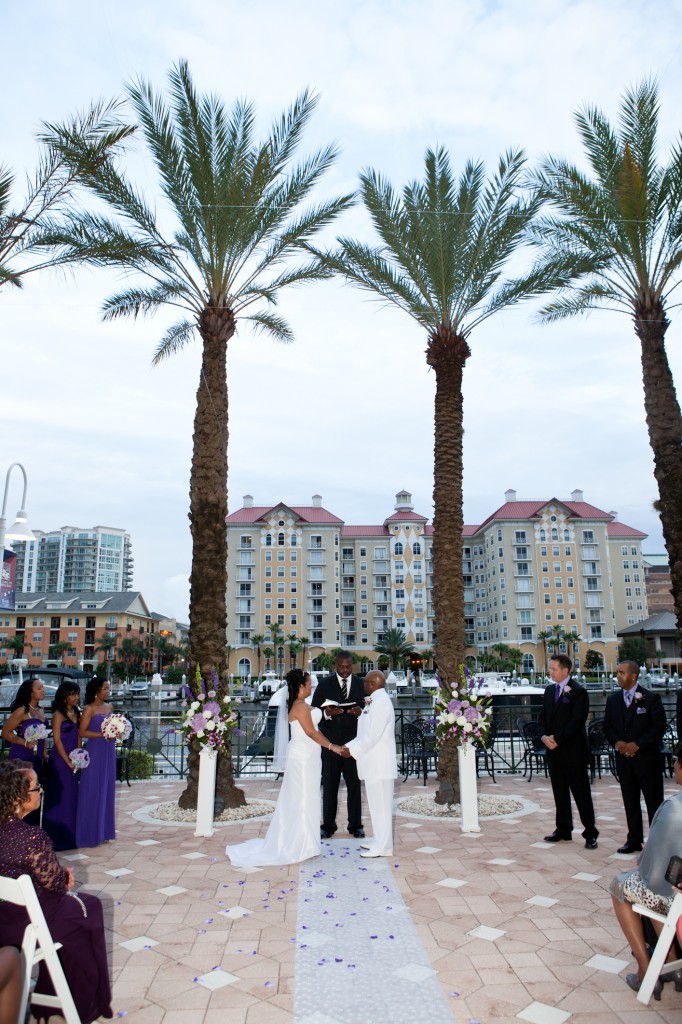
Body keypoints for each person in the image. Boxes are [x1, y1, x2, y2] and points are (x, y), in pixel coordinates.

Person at [0, 761, 113, 1023]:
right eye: (37, 787)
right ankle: (80, 1005)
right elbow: (56, 886)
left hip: (3, 917)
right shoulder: (29, 838)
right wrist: (64, 876)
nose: (41, 791)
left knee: (78, 919)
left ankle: (53, 1001)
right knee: (89, 908)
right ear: (19, 798)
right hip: (25, 924)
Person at [227, 668, 346, 867]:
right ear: (301, 686)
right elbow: (310, 732)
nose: (311, 686)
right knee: (302, 797)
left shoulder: (302, 705)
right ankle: (300, 843)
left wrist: (325, 714)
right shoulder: (299, 706)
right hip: (302, 757)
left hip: (310, 755)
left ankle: (308, 840)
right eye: (308, 684)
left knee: (309, 796)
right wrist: (332, 746)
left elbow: (314, 727)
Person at [609, 743, 682, 999]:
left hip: (675, 897)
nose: (673, 765)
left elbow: (653, 869)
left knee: (622, 884)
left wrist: (642, 865)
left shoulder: (674, 808)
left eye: (675, 760)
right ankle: (672, 961)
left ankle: (645, 966)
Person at [604, 660, 667, 853]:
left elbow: (658, 727)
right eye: (618, 672)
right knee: (630, 801)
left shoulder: (650, 698)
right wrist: (618, 743)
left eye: (622, 673)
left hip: (647, 761)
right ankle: (633, 839)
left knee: (653, 803)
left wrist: (637, 745)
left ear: (633, 676)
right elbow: (608, 726)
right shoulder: (613, 700)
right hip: (624, 760)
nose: (618, 676)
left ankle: (657, 842)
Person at [539, 654, 599, 849]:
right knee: (560, 793)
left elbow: (577, 721)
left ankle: (590, 832)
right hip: (554, 753)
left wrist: (557, 739)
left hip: (573, 752)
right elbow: (542, 718)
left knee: (581, 793)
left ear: (565, 670)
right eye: (550, 668)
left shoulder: (579, 692)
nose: (550, 671)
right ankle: (563, 828)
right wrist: (544, 737)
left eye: (554, 668)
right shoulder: (549, 691)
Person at [344, 669, 397, 858]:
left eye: (366, 682)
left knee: (382, 806)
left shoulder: (381, 703)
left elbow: (372, 736)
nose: (363, 684)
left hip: (379, 763)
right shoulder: (374, 701)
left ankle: (384, 847)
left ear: (374, 684)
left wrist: (351, 750)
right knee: (376, 805)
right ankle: (378, 840)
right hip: (373, 762)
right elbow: (367, 728)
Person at [311, 651, 365, 839]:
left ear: (352, 665)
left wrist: (360, 712)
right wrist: (327, 714)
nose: (344, 670)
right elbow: (315, 710)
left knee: (354, 786)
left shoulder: (361, 684)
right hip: (330, 744)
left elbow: (370, 710)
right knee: (329, 786)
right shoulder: (324, 684)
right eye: (341, 666)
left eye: (348, 666)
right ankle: (327, 825)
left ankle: (355, 825)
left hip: (353, 744)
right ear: (336, 665)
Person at [75, 677, 116, 848]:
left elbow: (114, 726)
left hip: (109, 751)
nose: (108, 691)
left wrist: (117, 732)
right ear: (96, 690)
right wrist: (101, 734)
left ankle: (103, 831)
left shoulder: (109, 707)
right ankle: (89, 832)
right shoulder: (89, 709)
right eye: (105, 688)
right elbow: (82, 732)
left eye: (108, 688)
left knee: (106, 789)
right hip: (95, 751)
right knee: (92, 788)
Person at [1, 677, 48, 826]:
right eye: (39, 688)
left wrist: (45, 752)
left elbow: (43, 734)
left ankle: (32, 832)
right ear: (30, 691)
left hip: (37, 758)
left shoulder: (41, 710)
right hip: (22, 756)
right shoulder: (22, 710)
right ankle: (17, 831)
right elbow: (6, 732)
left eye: (42, 687)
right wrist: (25, 742)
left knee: (34, 794)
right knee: (22, 794)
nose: (43, 690)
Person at [43, 681, 82, 851]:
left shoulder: (77, 712)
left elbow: (79, 735)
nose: (76, 697)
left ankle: (71, 836)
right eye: (73, 694)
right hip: (60, 759)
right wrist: (67, 760)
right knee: (59, 797)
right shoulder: (58, 714)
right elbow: (57, 739)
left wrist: (80, 755)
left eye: (78, 694)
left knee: (72, 797)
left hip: (74, 758)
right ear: (65, 696)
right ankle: (55, 839)